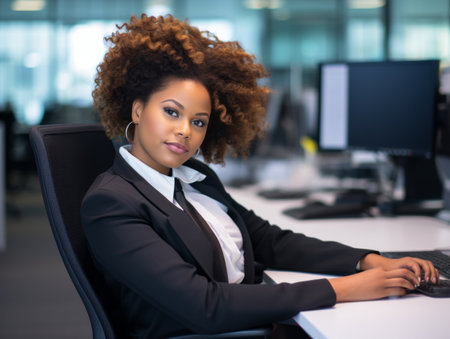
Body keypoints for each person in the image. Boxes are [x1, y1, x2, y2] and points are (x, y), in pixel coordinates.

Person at [81, 14, 440, 339]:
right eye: (172, 112)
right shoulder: (113, 202)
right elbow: (206, 307)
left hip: (254, 324)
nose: (184, 131)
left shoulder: (194, 178)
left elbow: (269, 241)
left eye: (198, 121)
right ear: (138, 110)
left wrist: (367, 261)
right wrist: (345, 289)